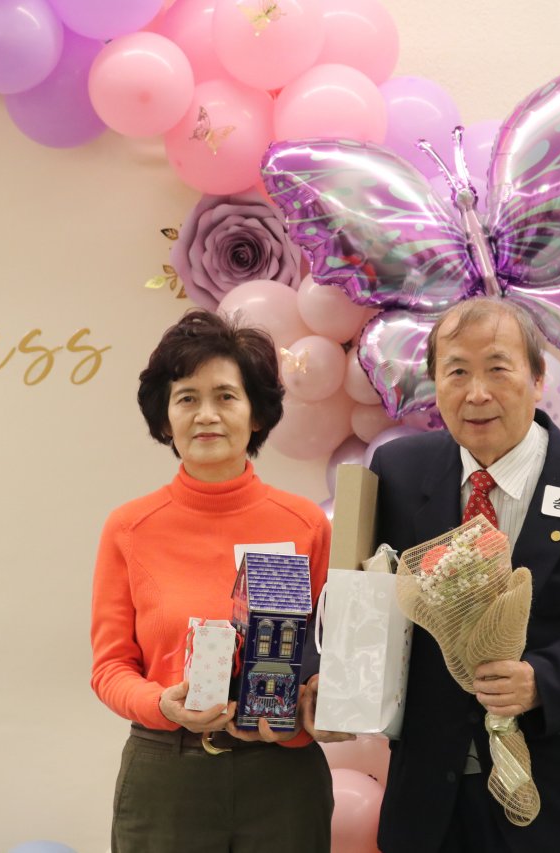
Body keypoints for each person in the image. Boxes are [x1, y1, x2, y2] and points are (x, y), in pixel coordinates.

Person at [364, 297, 560, 852]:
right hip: (428, 806)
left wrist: (544, 681)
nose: (476, 393)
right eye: (456, 372)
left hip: (558, 804)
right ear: (435, 383)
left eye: (498, 368)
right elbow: (362, 600)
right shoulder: (398, 474)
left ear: (537, 379)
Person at [90, 309, 334, 853]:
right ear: (164, 419)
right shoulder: (129, 528)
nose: (207, 415)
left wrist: (310, 706)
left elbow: (323, 655)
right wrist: (162, 703)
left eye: (226, 396)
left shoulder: (305, 524)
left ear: (256, 414)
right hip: (167, 775)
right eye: (187, 398)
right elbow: (110, 668)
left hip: (283, 778)